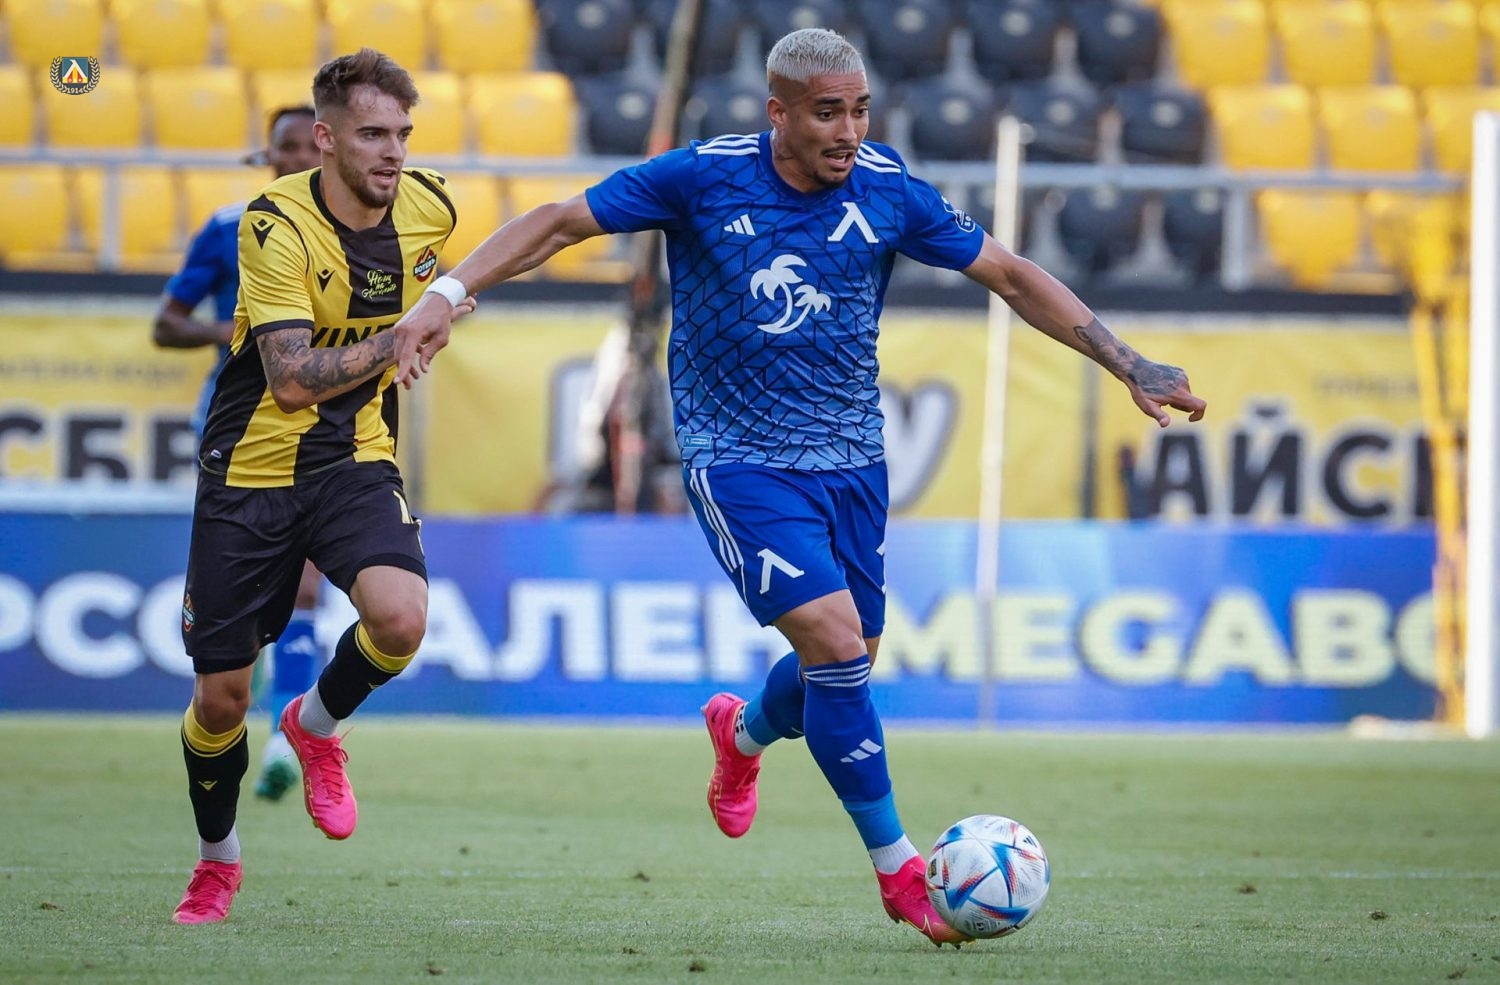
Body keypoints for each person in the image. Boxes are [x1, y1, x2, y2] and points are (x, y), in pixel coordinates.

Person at [391, 28, 1206, 946]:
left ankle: (742, 732)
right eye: (827, 113)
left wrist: (1129, 362)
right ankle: (898, 868)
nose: (849, 131)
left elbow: (1012, 276)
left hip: (852, 460)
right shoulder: (703, 176)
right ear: (777, 112)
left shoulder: (887, 187)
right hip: (737, 457)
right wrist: (444, 296)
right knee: (834, 640)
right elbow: (555, 223)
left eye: (860, 111)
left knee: (848, 656)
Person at [171, 47, 472, 925]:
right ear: (326, 138)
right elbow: (293, 379)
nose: (394, 151)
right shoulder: (271, 223)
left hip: (353, 458)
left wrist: (440, 311)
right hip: (251, 471)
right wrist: (406, 334)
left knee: (401, 620)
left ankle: (315, 725)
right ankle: (218, 861)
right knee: (221, 700)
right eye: (374, 134)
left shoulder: (430, 207)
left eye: (403, 133)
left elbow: (445, 293)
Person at [153, 105, 325, 805]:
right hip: (235, 419)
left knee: (307, 581)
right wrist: (233, 330)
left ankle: (287, 738)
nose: (298, 158)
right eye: (286, 147)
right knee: (242, 583)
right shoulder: (229, 227)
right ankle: (233, 693)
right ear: (268, 157)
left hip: (317, 419)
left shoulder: (360, 230)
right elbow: (166, 323)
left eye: (309, 146)